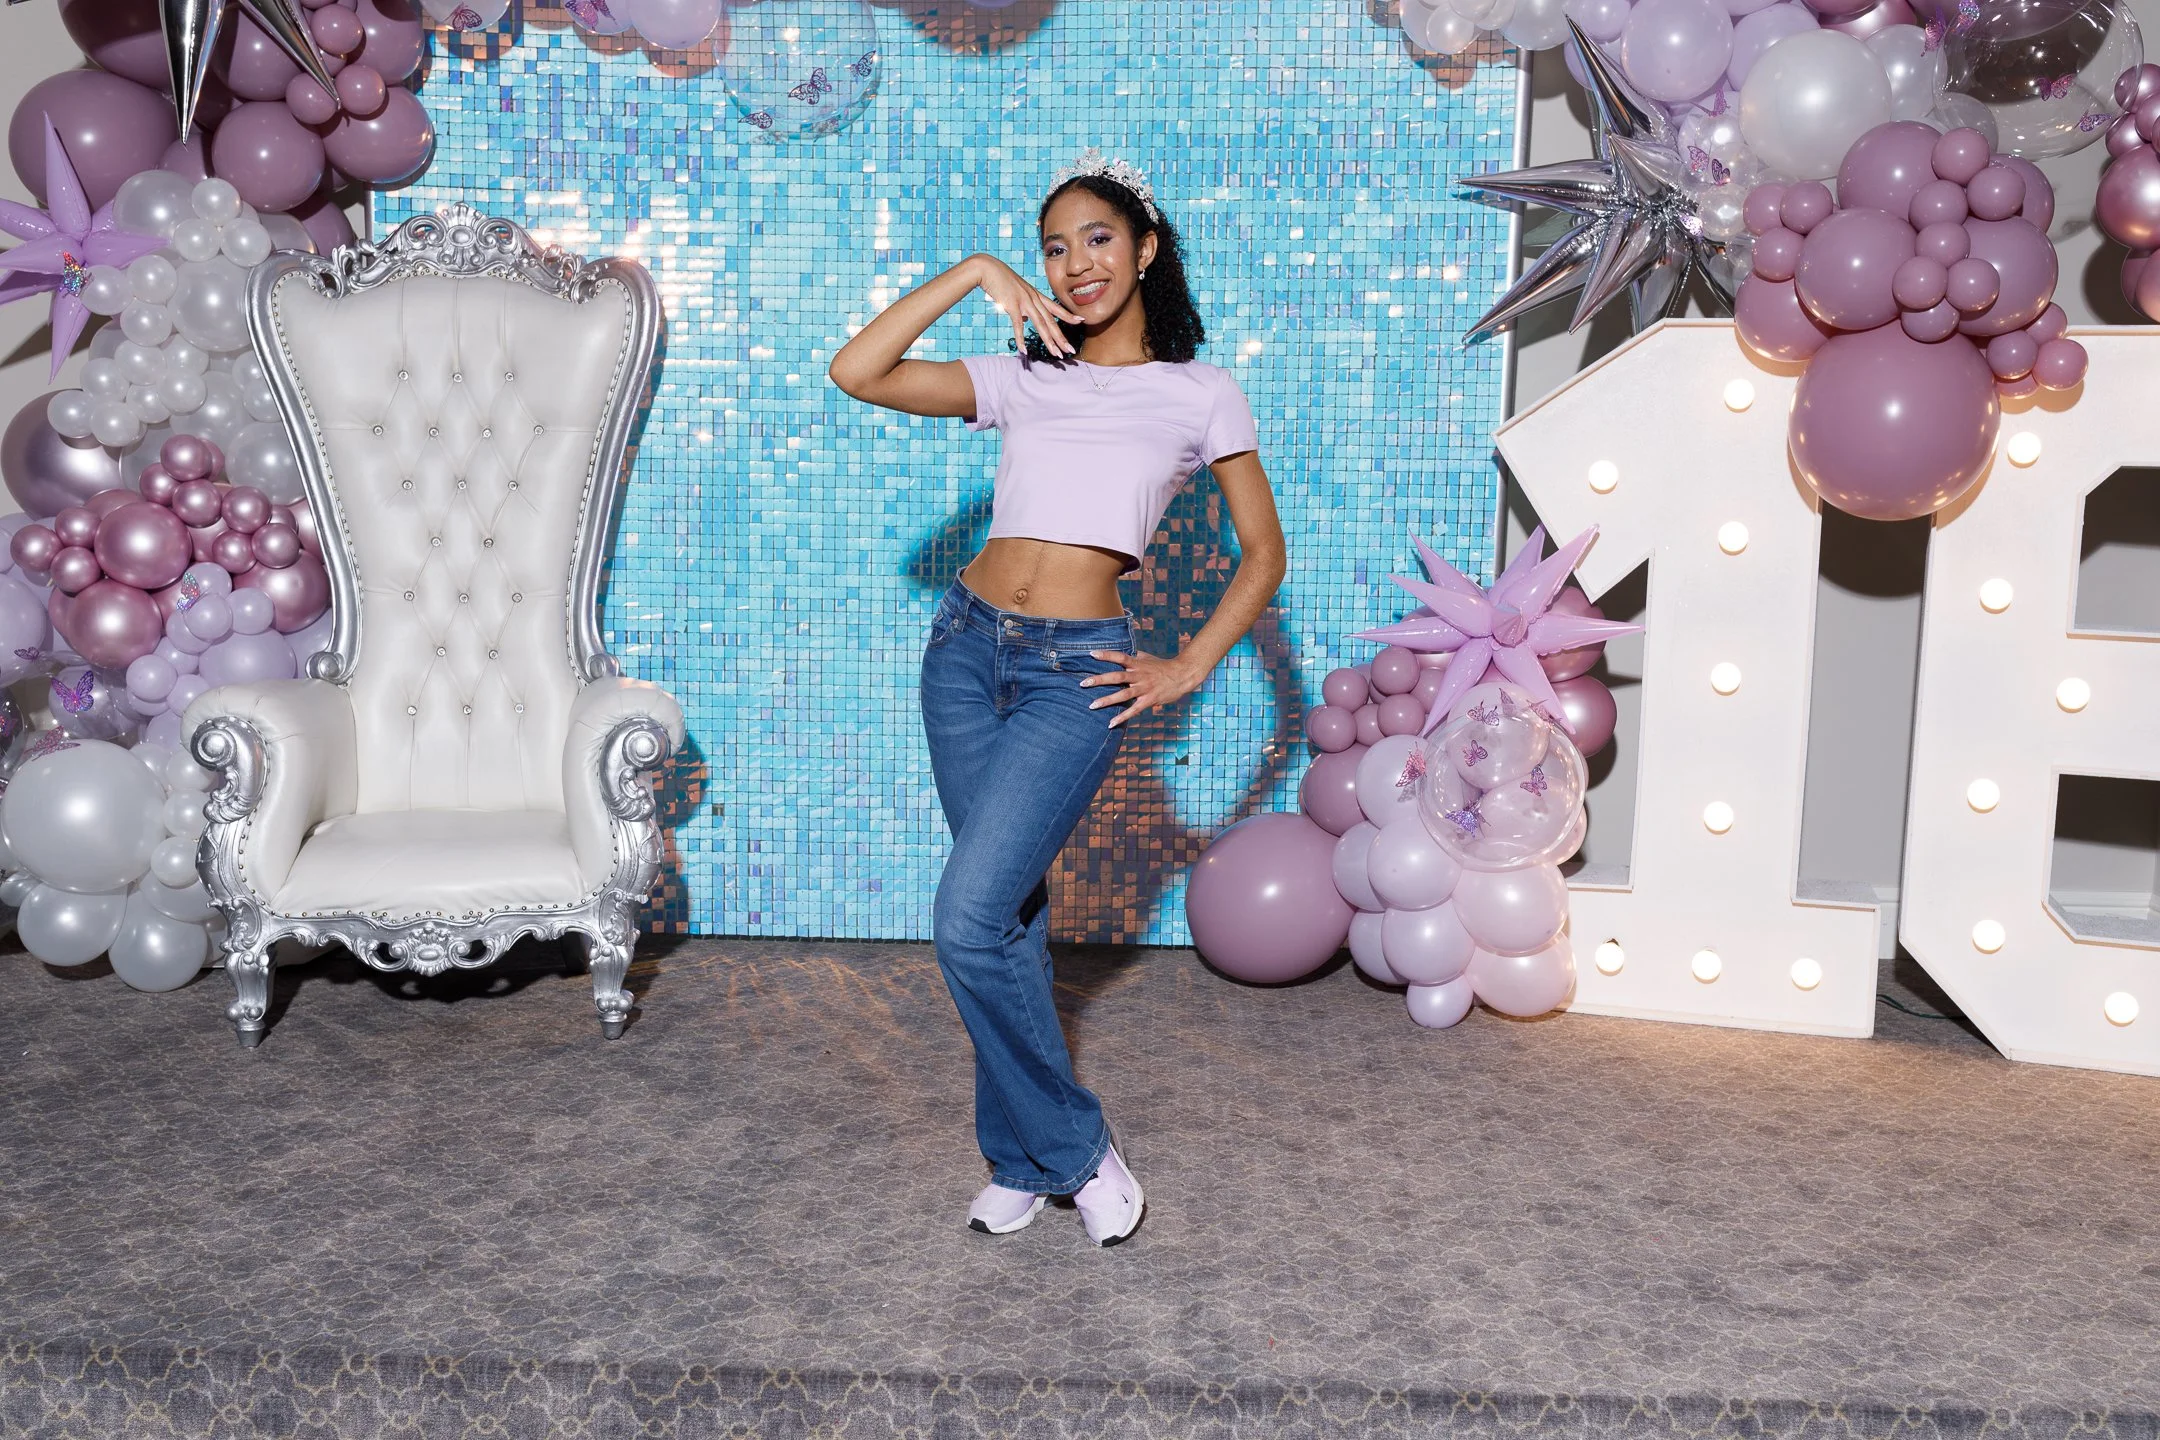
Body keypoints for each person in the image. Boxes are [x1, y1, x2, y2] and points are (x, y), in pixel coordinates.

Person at [828, 150, 1285, 1247]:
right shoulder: (1024, 373)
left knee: (967, 916)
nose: (1075, 265)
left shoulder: (1199, 391)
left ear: (1145, 249)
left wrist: (1187, 667)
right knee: (1010, 918)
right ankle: (1026, 1158)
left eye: (1097, 239)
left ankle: (1076, 1147)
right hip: (963, 651)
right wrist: (975, 270)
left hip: (1075, 669)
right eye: (1051, 247)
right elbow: (858, 369)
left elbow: (1262, 554)